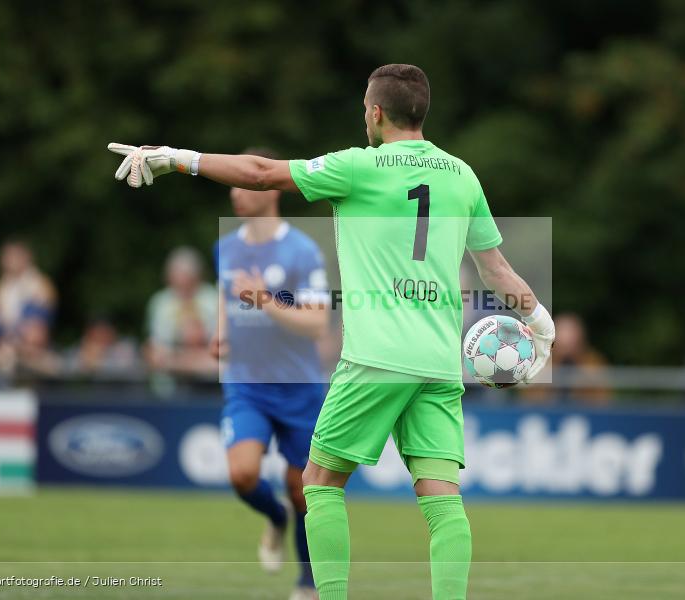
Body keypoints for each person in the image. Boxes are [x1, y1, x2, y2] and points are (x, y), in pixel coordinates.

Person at [108, 63, 555, 600]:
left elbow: (259, 173)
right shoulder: (462, 176)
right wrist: (538, 319)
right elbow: (496, 270)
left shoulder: (356, 167)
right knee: (442, 501)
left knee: (318, 485)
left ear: (375, 112)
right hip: (438, 363)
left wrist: (175, 158)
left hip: (375, 360)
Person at [211, 147, 330, 600]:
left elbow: (317, 323)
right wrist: (220, 335)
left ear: (268, 188)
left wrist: (265, 302)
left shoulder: (301, 249)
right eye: (232, 185)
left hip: (298, 386)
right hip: (247, 383)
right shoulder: (226, 246)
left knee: (305, 491)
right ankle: (275, 518)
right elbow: (226, 302)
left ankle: (307, 585)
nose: (235, 193)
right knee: (242, 475)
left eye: (243, 183)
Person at [144, 246, 217, 376]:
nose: (182, 283)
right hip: (172, 375)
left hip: (208, 371)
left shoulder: (213, 298)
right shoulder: (160, 302)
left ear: (197, 277)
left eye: (186, 278)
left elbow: (221, 346)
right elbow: (155, 350)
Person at [519, 313, 609, 405]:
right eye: (562, 332)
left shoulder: (592, 360)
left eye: (571, 332)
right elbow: (529, 396)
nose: (566, 339)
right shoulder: (541, 359)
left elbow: (601, 396)